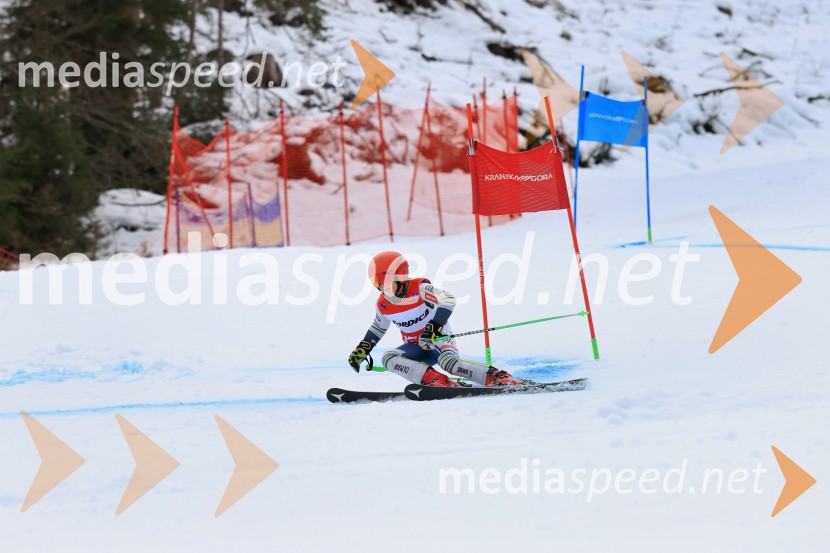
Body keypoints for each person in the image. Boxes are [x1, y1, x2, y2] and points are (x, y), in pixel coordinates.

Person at [348, 251, 522, 387]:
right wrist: (362, 350)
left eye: (384, 280)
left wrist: (432, 329)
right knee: (389, 358)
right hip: (416, 347)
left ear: (399, 276)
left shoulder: (420, 288)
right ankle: (439, 381)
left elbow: (448, 300)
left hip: (437, 339)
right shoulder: (383, 304)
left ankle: (497, 377)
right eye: (376, 282)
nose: (381, 287)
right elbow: (378, 328)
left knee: (448, 363)